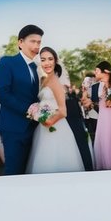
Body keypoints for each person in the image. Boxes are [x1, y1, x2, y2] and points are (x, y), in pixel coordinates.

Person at [0, 24, 48, 176]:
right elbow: (1, 94)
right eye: (32, 41)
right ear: (20, 42)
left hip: (35, 129)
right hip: (14, 129)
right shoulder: (7, 62)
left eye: (39, 42)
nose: (36, 46)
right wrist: (29, 109)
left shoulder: (36, 68)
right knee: (14, 172)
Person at [26, 47, 85, 175]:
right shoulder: (44, 80)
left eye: (50, 59)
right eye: (43, 60)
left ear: (55, 61)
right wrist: (37, 111)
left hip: (57, 126)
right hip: (43, 128)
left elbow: (63, 111)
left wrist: (48, 121)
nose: (47, 63)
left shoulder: (55, 82)